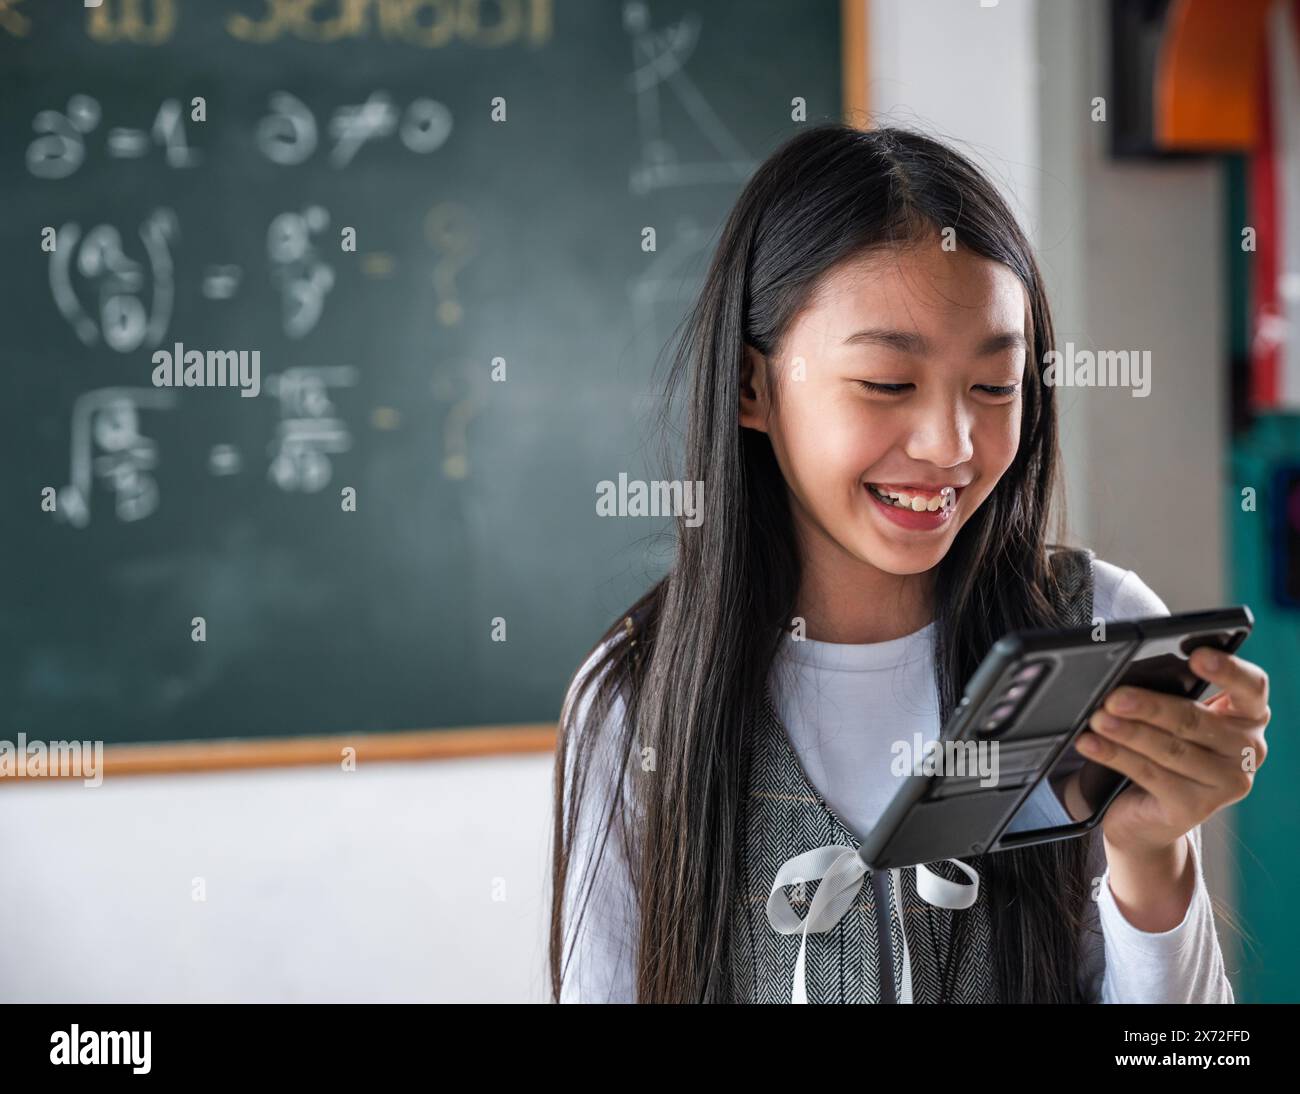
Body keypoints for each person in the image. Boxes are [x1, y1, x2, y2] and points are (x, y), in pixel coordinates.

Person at [549, 123, 1271, 1004]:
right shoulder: (637, 700)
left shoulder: (1098, 627)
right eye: (889, 385)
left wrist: (1149, 855)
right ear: (752, 387)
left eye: (995, 387)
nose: (950, 445)